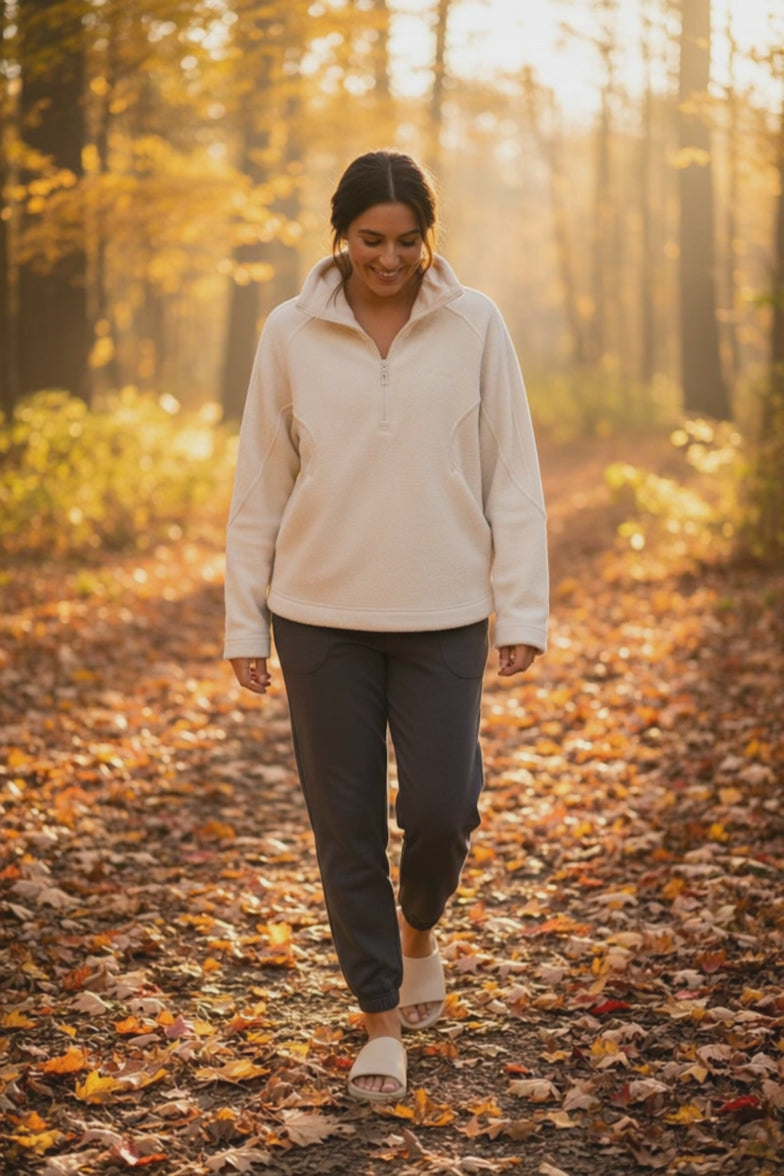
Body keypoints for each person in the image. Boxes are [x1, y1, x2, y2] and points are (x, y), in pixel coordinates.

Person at [224, 149, 548, 1103]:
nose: (390, 258)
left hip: (444, 611)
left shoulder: (475, 323)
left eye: (408, 241)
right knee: (345, 824)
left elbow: (512, 475)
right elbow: (259, 485)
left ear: (428, 239)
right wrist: (247, 622)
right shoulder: (289, 331)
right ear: (341, 235)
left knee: (443, 810)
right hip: (318, 616)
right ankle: (380, 1020)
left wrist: (519, 605)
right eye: (371, 239)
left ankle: (417, 935)